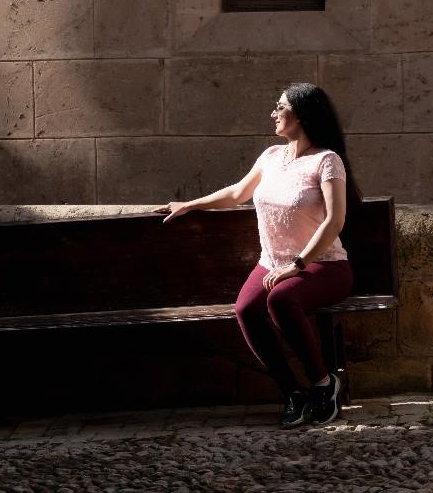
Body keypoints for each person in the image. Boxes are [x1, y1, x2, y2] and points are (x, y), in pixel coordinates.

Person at [153, 83, 362, 428]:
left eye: (280, 107)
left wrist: (297, 266)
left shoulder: (326, 161)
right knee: (246, 310)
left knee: (280, 300)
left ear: (301, 115)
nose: (273, 113)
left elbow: (334, 220)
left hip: (324, 266)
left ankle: (324, 384)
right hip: (272, 262)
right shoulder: (270, 157)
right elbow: (237, 193)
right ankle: (293, 393)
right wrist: (189, 204)